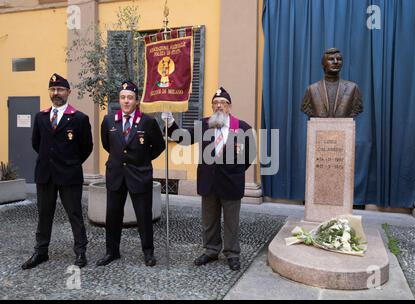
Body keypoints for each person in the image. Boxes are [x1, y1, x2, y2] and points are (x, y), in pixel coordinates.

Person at [161, 87, 256, 270]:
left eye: (223, 103)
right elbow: (183, 138)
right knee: (209, 220)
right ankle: (211, 250)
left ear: (229, 106)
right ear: (212, 106)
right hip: (208, 181)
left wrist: (234, 170)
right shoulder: (204, 124)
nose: (219, 106)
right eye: (215, 103)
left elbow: (250, 155)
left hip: (231, 182)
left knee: (231, 221)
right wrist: (170, 122)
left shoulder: (242, 127)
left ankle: (232, 253)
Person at [22, 73, 93, 270]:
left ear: (68, 92)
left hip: (69, 175)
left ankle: (80, 251)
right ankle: (41, 251)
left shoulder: (79, 118)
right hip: (45, 174)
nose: (56, 93)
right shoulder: (41, 117)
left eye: (60, 89)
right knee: (44, 214)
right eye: (53, 89)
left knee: (74, 214)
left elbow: (86, 147)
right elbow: (37, 143)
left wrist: (70, 162)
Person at [96, 80, 165, 267]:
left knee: (144, 216)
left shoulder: (148, 121)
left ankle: (148, 252)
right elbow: (107, 144)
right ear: (119, 100)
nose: (126, 101)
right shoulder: (109, 120)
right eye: (123, 97)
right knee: (112, 215)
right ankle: (112, 251)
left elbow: (160, 146)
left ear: (136, 100)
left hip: (139, 175)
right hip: (116, 175)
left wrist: (143, 158)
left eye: (130, 98)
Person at [301, 48, 363, 118]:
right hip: (319, 127)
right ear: (323, 63)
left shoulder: (353, 88)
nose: (336, 62)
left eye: (339, 59)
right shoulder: (312, 89)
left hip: (344, 127)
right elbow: (305, 108)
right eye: (331, 59)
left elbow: (357, 108)